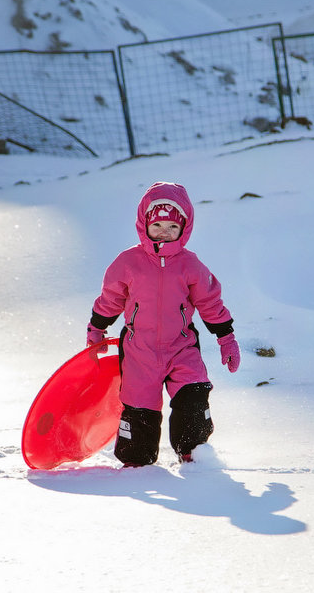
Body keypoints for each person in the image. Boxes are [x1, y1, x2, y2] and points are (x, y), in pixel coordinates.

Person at [85, 181, 240, 467]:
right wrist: (96, 328)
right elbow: (111, 300)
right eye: (158, 226)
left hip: (181, 346)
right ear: (144, 224)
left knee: (194, 393)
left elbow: (210, 303)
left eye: (172, 227)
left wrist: (226, 337)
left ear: (184, 228)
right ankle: (136, 461)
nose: (164, 233)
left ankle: (194, 452)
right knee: (139, 406)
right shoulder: (128, 262)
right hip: (139, 350)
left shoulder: (190, 265)